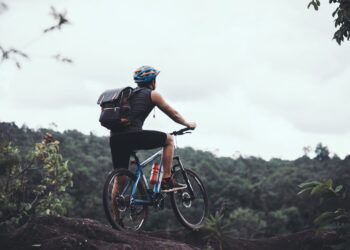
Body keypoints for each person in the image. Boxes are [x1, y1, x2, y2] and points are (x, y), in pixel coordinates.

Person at [110, 65, 196, 192]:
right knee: (169, 139)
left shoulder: (127, 95)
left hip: (115, 138)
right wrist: (187, 124)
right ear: (152, 81)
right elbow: (174, 114)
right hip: (132, 136)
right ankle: (166, 179)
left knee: (119, 179)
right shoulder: (152, 94)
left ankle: (114, 212)